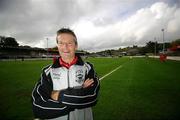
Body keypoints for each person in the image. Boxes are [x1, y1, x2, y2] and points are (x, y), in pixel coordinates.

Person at [31, 28, 100, 120]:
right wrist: (79, 94)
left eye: (69, 43)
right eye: (61, 43)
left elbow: (92, 97)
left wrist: (58, 96)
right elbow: (38, 107)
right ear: (57, 46)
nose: (65, 47)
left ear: (76, 46)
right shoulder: (47, 72)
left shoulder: (88, 68)